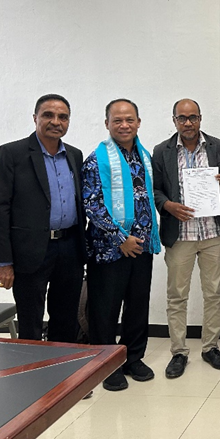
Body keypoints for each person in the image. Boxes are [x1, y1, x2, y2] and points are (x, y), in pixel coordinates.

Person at [0, 94, 86, 343]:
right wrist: (3, 261)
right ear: (35, 118)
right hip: (29, 252)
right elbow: (0, 209)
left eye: (63, 117)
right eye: (48, 115)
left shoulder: (75, 155)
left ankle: (61, 374)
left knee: (65, 318)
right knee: (30, 320)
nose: (56, 121)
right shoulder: (13, 153)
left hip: (69, 248)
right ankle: (30, 375)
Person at [82, 98, 161, 391]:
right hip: (109, 249)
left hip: (141, 247)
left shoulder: (145, 157)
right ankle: (105, 363)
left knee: (137, 306)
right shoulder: (96, 159)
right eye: (117, 120)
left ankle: (132, 357)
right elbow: (92, 204)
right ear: (107, 124)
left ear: (138, 122)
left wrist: (139, 240)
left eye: (130, 120)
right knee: (105, 308)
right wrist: (120, 239)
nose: (124, 125)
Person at [152, 99, 220, 379]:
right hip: (180, 234)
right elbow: (156, 190)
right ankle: (178, 352)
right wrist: (168, 206)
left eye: (193, 117)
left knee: (214, 293)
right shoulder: (161, 151)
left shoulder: (217, 146)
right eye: (182, 118)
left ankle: (210, 347)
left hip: (212, 233)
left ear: (200, 118)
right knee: (177, 296)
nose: (188, 123)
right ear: (174, 120)